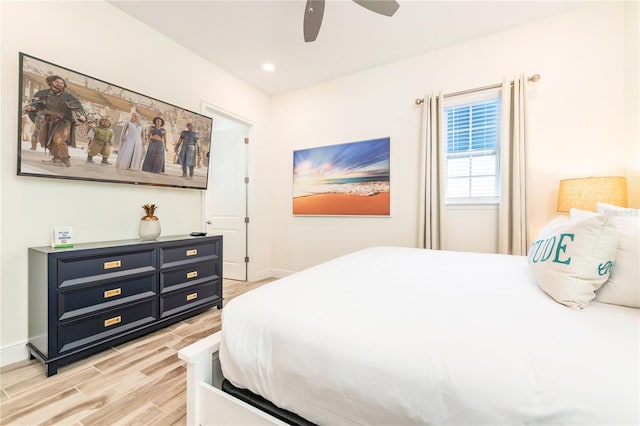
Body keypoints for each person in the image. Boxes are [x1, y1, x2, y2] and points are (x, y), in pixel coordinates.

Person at [23, 75, 87, 167]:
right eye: (57, 82)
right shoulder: (43, 93)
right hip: (48, 120)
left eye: (62, 83)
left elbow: (77, 107)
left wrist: (81, 115)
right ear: (51, 83)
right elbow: (38, 104)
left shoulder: (68, 96)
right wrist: (33, 107)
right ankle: (56, 158)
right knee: (45, 139)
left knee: (59, 139)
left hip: (63, 120)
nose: (60, 84)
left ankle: (65, 160)